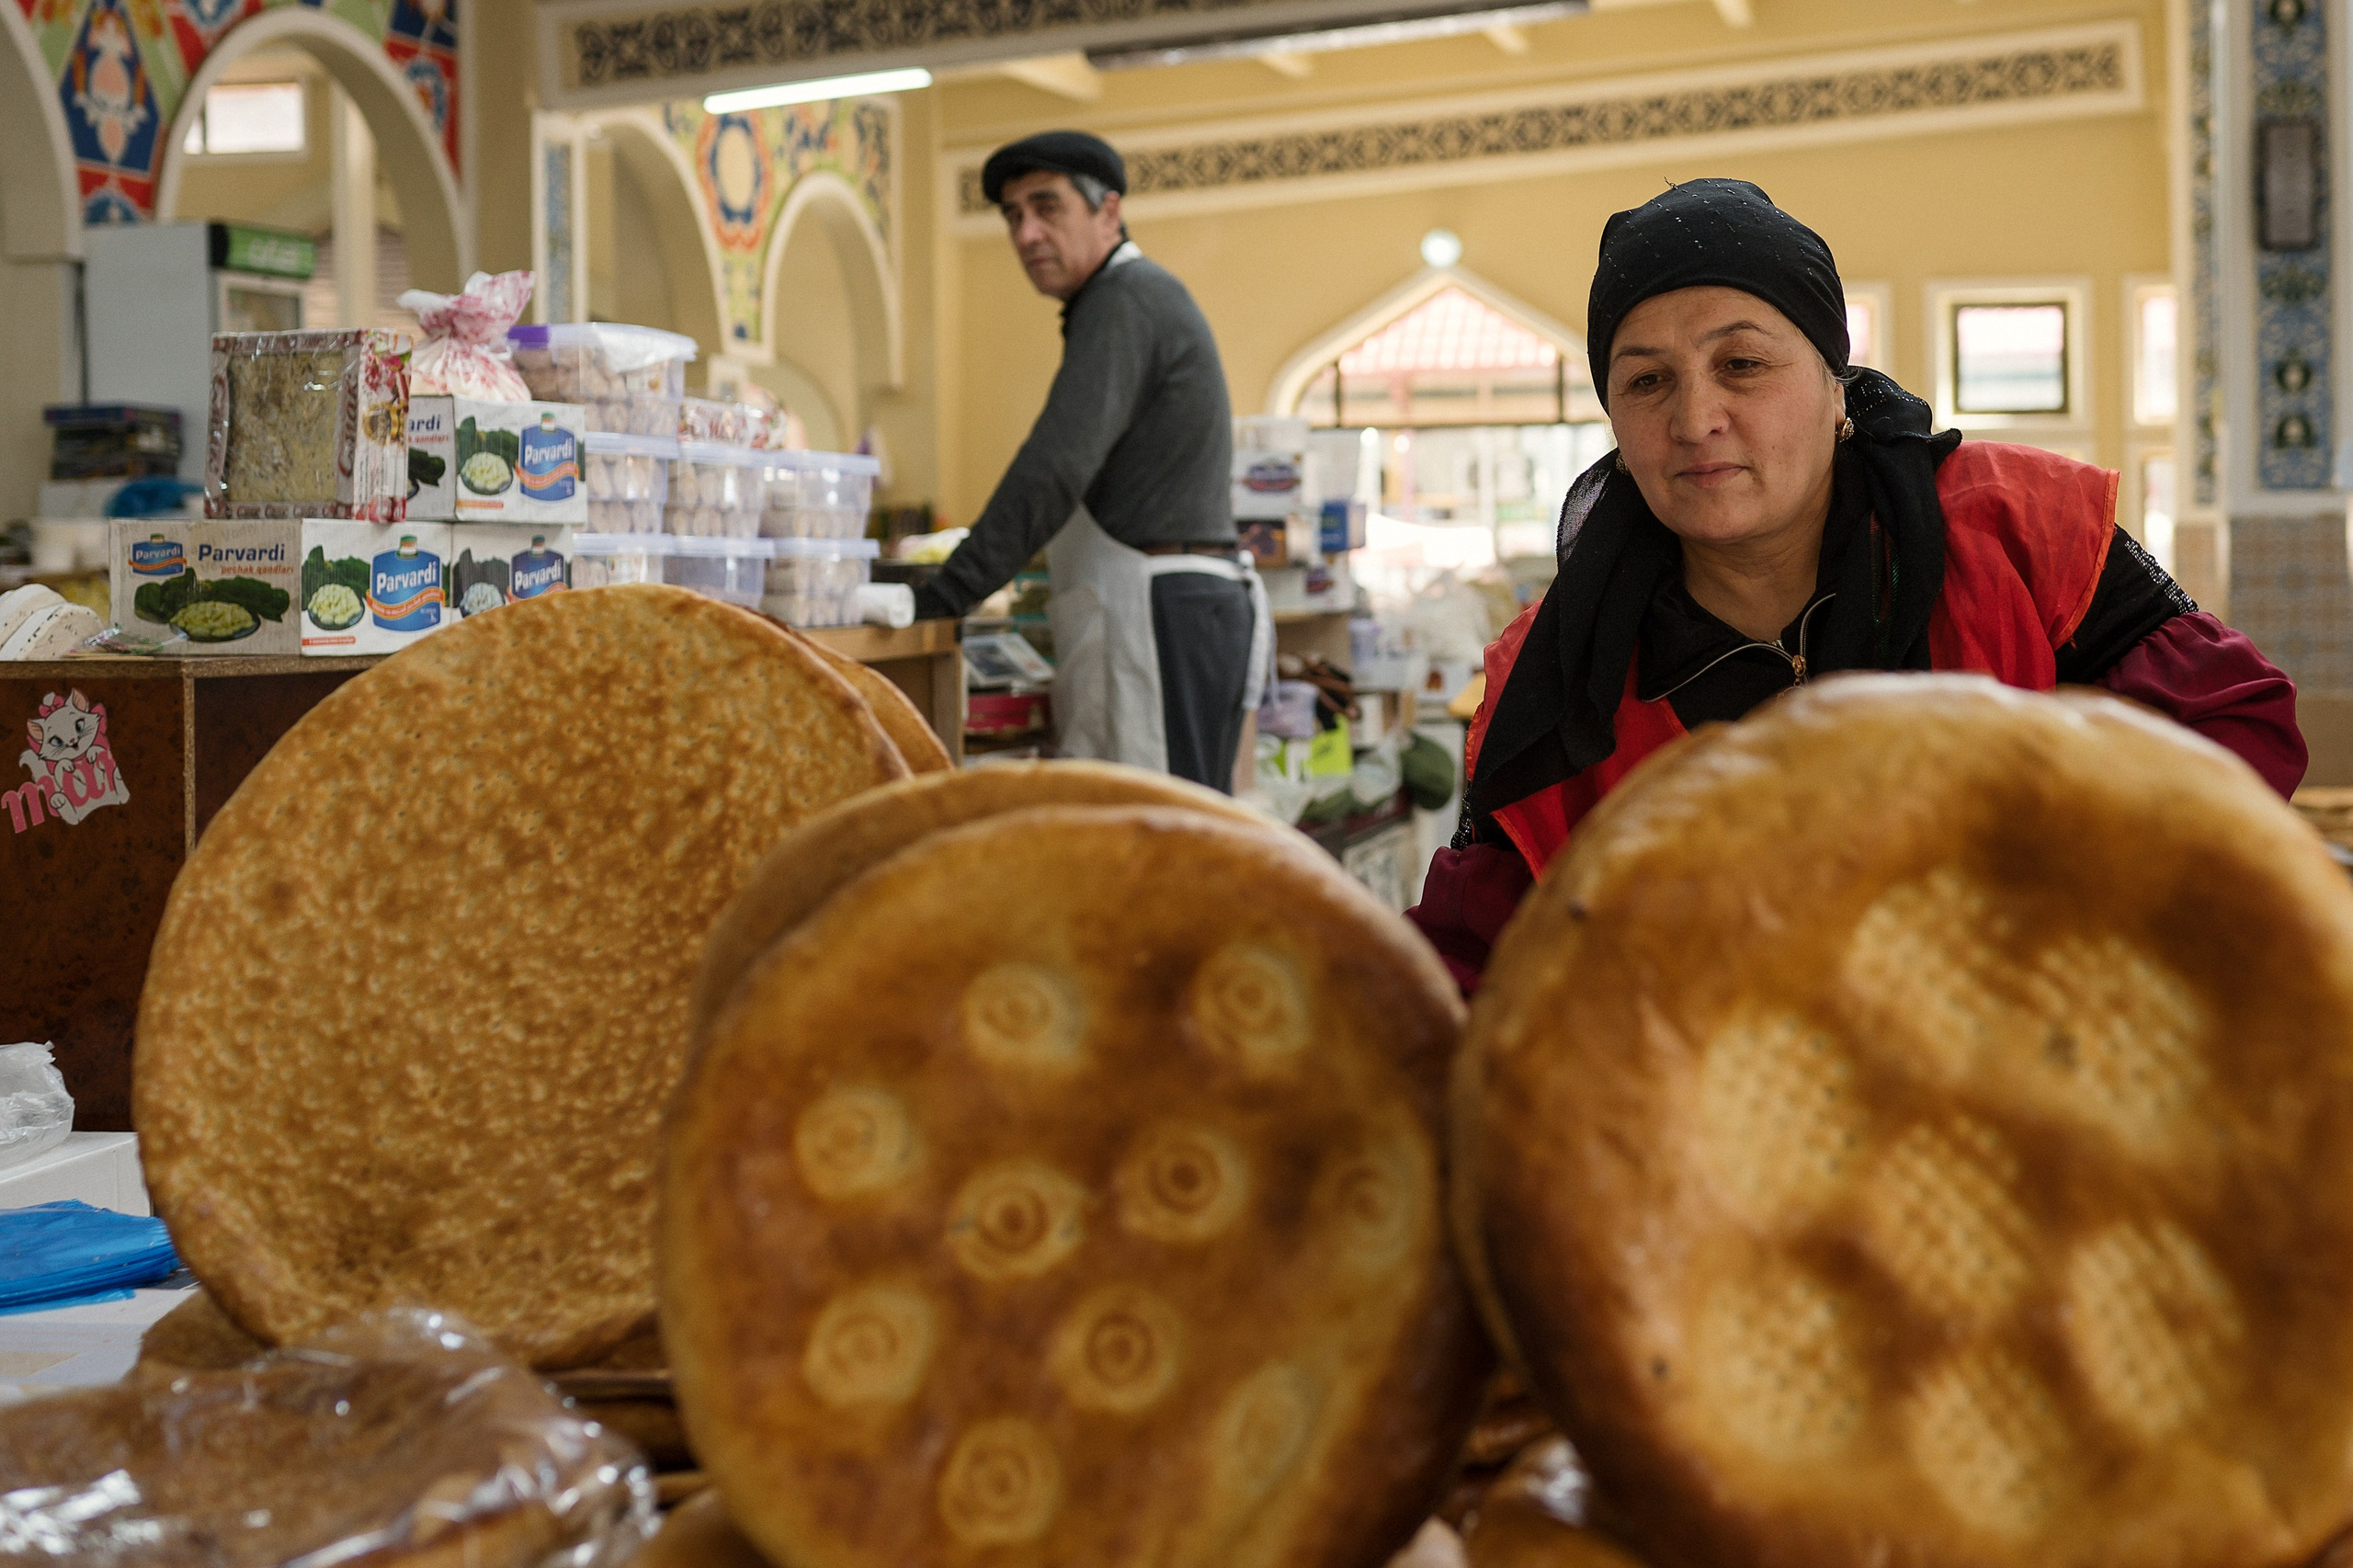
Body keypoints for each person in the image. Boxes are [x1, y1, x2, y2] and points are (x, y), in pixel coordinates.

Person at [1411, 178, 2304, 994]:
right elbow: (1478, 963)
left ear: (1836, 386)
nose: (1694, 418)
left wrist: (2035, 904)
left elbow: (2231, 738)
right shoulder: (1553, 672)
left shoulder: (2019, 531)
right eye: (1646, 380)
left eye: (1742, 364)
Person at [911, 131, 1267, 790]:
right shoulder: (1137, 298)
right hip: (1190, 602)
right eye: (1013, 216)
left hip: (1156, 613)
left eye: (1047, 207)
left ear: (1108, 212)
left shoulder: (1123, 299)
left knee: (1149, 851)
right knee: (1188, 842)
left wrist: (944, 596)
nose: (1026, 234)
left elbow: (1054, 467)